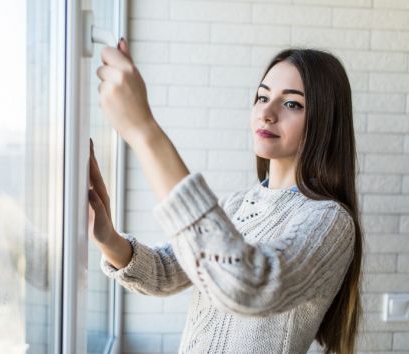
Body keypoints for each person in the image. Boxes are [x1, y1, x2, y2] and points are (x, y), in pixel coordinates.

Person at [88, 38, 363, 354]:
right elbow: (166, 271)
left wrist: (145, 132)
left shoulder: (330, 221)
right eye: (262, 97)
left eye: (292, 104)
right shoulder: (236, 205)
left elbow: (247, 285)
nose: (267, 113)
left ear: (325, 121)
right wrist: (107, 237)